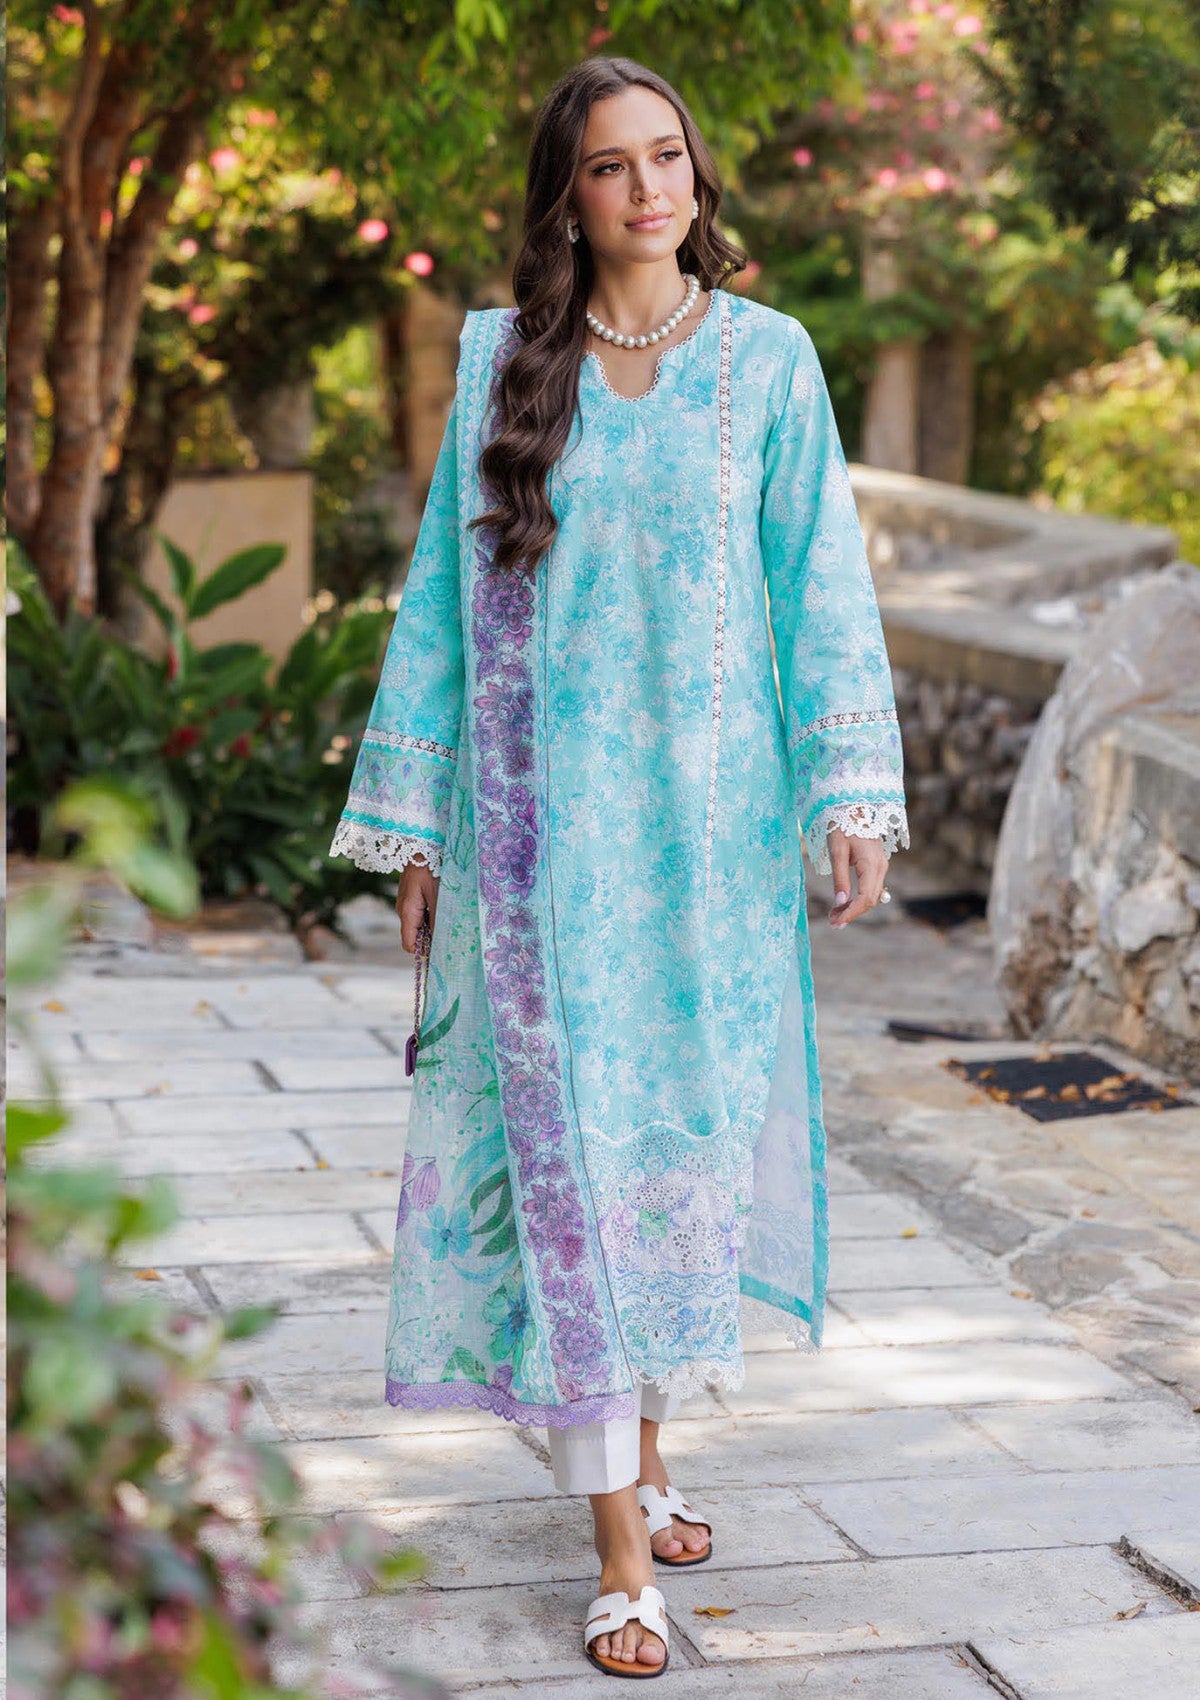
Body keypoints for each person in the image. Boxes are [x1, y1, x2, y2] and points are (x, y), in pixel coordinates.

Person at [330, 55, 909, 1682]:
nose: (648, 189)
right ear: (568, 196)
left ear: (696, 174)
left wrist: (852, 790)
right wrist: (421, 823)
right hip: (540, 856)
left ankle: (645, 1463)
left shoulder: (770, 363)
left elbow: (822, 579)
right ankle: (617, 1559)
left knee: (677, 1165)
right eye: (609, 165)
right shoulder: (503, 363)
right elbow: (440, 602)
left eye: (667, 157)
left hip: (711, 856)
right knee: (570, 1169)